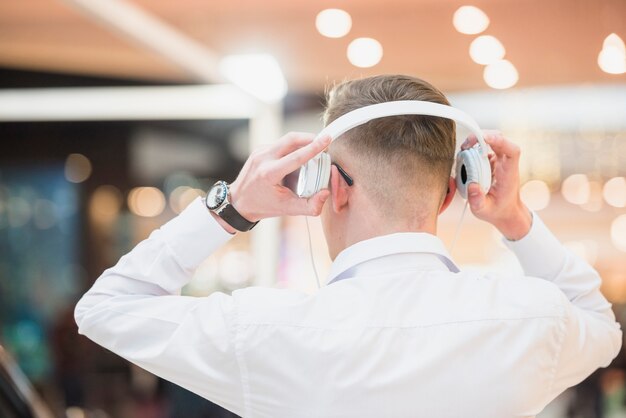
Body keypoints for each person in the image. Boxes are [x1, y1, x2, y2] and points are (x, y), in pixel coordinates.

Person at [75, 75, 622, 418]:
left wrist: (232, 205)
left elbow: (106, 308)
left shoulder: (265, 331)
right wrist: (517, 220)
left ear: (328, 184)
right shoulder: (531, 319)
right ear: (454, 188)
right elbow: (599, 322)